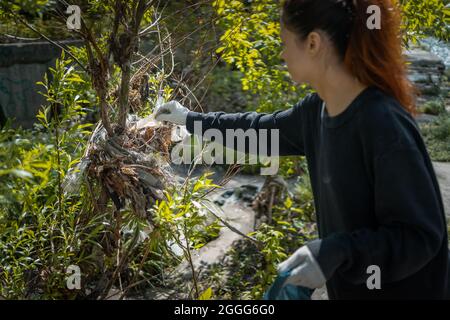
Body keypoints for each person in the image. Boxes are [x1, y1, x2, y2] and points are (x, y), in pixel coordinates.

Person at [153, 0, 449, 299]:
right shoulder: (318, 111)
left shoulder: (382, 124)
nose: (282, 53)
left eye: (284, 42)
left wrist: (335, 252)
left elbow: (419, 237)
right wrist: (189, 119)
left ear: (312, 43)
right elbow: (258, 131)